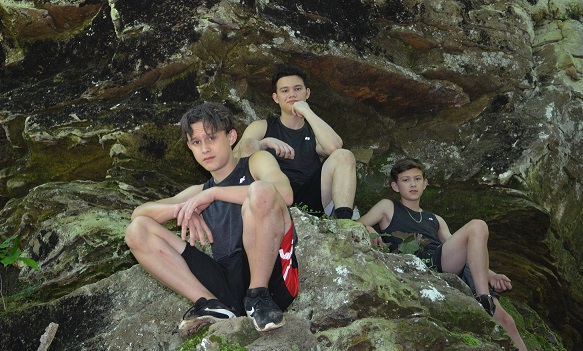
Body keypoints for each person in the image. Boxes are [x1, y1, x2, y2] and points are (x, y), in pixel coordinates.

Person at [125, 102, 299, 336]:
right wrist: (187, 207)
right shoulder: (199, 191)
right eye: (196, 142)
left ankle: (258, 296)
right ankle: (211, 305)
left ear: (231, 137)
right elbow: (140, 213)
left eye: (211, 138)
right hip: (227, 283)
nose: (205, 148)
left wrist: (215, 193)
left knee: (261, 191)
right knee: (137, 230)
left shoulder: (256, 162)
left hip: (272, 280)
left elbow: (284, 194)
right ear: (190, 147)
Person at [357, 158, 528, 351]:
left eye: (417, 179)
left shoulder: (435, 219)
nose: (413, 184)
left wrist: (492, 275)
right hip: (422, 263)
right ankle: (483, 298)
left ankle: (484, 297)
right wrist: (370, 229)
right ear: (395, 186)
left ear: (425, 183)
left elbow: (463, 249)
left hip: (450, 264)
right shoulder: (388, 206)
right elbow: (357, 224)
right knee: (477, 225)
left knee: (507, 321)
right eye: (405, 180)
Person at [234, 64, 356, 219]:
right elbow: (235, 161)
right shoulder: (262, 127)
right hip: (272, 197)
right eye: (285, 91)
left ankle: (344, 223)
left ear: (307, 93)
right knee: (250, 144)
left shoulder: (315, 131)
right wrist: (263, 143)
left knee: (344, 155)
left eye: (297, 89)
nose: (292, 94)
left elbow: (335, 147)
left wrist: (306, 111)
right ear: (276, 98)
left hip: (310, 199)